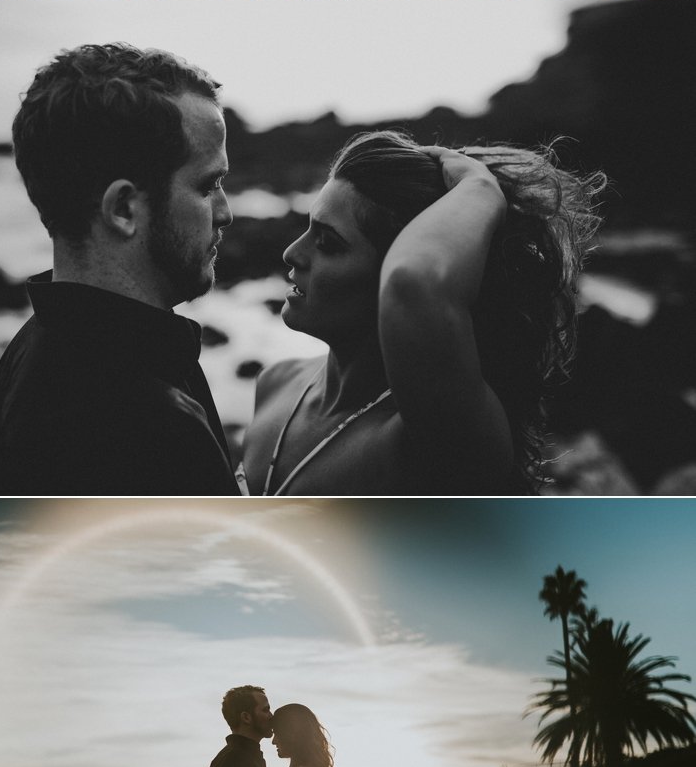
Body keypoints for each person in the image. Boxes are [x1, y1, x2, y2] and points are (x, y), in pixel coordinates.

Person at [242, 132, 606, 496]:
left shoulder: (436, 436)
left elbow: (413, 284)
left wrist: (480, 188)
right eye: (307, 229)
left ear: (390, 272)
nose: (291, 253)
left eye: (328, 244)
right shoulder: (275, 384)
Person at [0, 43, 239, 497]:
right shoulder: (144, 429)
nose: (226, 213)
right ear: (124, 209)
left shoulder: (28, 352)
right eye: (208, 186)